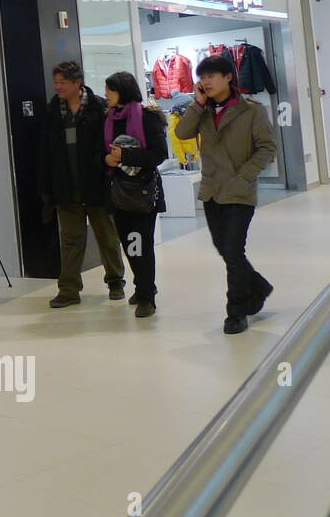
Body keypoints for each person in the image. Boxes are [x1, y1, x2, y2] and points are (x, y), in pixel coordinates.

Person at [175, 54, 277, 334]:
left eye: (211, 76)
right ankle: (258, 286)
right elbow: (183, 133)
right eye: (202, 77)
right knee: (225, 250)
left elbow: (267, 148)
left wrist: (245, 175)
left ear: (228, 77)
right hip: (211, 190)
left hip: (239, 191)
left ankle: (236, 311)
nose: (205, 82)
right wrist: (197, 104)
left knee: (233, 250)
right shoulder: (202, 109)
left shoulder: (252, 110)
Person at [38, 60, 126, 307]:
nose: (57, 87)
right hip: (65, 187)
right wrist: (46, 186)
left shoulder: (99, 107)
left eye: (62, 82)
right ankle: (68, 289)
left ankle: (116, 281)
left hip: (96, 183)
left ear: (78, 83)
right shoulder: (53, 110)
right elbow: (45, 150)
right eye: (55, 82)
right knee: (70, 240)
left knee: (107, 236)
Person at [101, 72, 167, 318]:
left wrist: (124, 157)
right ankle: (143, 286)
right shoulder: (107, 119)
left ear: (123, 91)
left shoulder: (147, 118)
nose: (106, 94)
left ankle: (147, 296)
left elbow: (158, 154)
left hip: (142, 192)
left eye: (110, 89)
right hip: (117, 192)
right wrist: (105, 159)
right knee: (129, 244)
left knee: (141, 244)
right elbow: (100, 152)